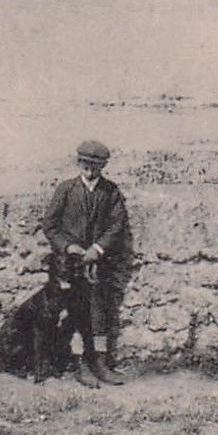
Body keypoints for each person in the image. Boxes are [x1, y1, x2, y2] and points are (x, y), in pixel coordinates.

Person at [41, 139, 132, 386]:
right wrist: (69, 247)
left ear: (103, 165)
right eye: (85, 163)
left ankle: (100, 362)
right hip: (68, 265)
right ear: (78, 162)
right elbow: (50, 225)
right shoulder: (66, 190)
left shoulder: (111, 191)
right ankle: (79, 363)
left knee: (99, 313)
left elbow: (117, 225)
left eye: (95, 164)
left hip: (98, 264)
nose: (89, 168)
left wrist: (98, 248)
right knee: (73, 313)